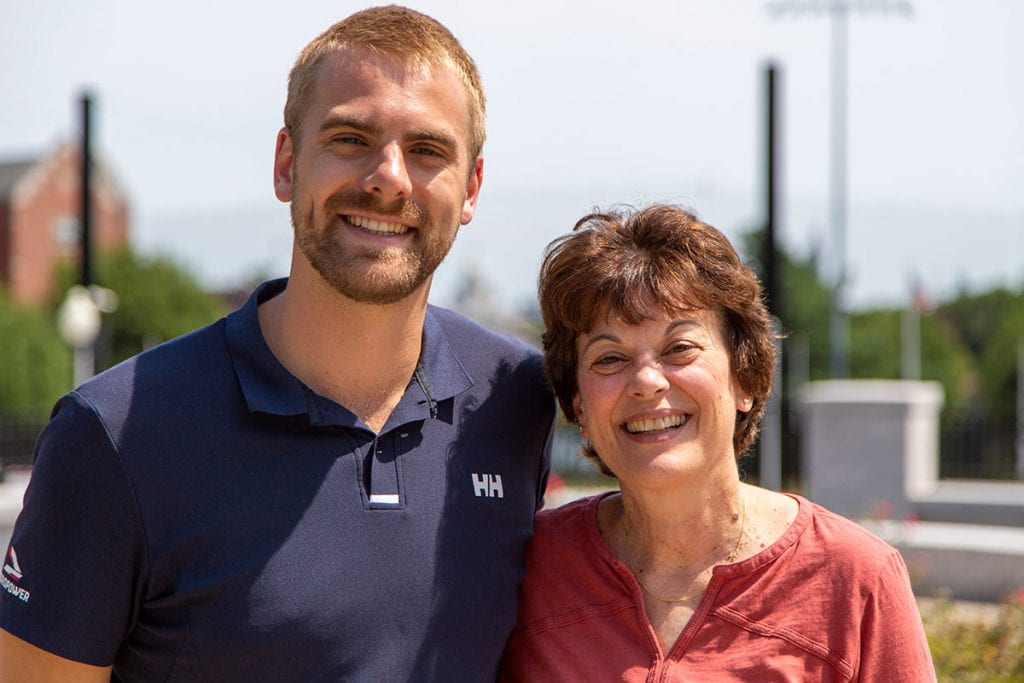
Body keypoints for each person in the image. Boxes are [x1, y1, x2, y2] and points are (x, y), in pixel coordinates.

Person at [0, 6, 553, 681]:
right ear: (287, 163)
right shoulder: (114, 434)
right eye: (351, 137)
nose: (389, 178)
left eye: (428, 150)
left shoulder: (516, 397)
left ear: (471, 188)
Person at [499, 205, 935, 680]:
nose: (646, 381)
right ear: (579, 407)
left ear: (744, 377)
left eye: (679, 348)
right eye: (609, 358)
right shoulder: (528, 569)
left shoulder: (856, 581)